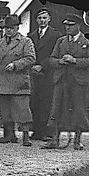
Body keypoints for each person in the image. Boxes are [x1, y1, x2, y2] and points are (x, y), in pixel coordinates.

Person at [44, 13, 89, 150]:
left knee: (79, 109)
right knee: (56, 108)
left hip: (79, 81)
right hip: (62, 79)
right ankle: (55, 139)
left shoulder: (87, 42)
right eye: (66, 25)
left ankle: (77, 140)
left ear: (78, 26)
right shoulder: (61, 41)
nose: (67, 28)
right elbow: (51, 59)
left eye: (71, 25)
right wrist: (60, 61)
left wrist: (75, 61)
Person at [0, 13, 36, 145]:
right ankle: (10, 134)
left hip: (19, 81)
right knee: (5, 110)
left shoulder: (25, 41)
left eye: (11, 28)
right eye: (6, 28)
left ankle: (26, 136)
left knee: (22, 110)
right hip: (3, 81)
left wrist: (15, 65)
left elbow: (31, 58)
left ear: (17, 28)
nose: (8, 31)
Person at [28, 8, 63, 141]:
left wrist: (42, 65)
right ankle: (36, 130)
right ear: (36, 20)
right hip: (33, 72)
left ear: (49, 19)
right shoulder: (31, 36)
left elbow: (56, 54)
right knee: (34, 101)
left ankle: (47, 131)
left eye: (44, 18)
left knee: (47, 101)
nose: (42, 20)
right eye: (40, 18)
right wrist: (32, 66)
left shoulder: (56, 35)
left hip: (48, 73)